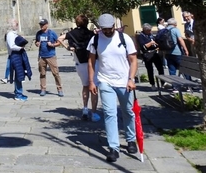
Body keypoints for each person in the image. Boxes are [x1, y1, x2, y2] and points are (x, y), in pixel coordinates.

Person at [87, 13, 138, 163]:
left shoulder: (124, 38)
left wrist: (131, 79)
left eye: (109, 28)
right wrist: (92, 81)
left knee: (128, 111)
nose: (107, 31)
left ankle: (130, 139)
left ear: (114, 26)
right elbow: (91, 62)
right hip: (105, 81)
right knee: (109, 113)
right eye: (104, 29)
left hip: (124, 81)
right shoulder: (95, 39)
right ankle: (113, 147)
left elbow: (133, 60)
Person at [64, 14, 99, 121]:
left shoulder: (71, 34)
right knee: (94, 87)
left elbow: (61, 38)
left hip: (80, 62)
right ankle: (93, 112)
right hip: (93, 62)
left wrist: (67, 47)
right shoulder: (91, 34)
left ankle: (84, 109)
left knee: (85, 86)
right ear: (87, 22)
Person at [35, 19, 63, 97]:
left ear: (47, 25)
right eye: (40, 25)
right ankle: (43, 89)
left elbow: (59, 43)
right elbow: (36, 42)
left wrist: (52, 45)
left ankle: (59, 89)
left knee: (55, 73)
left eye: (43, 25)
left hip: (51, 56)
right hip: (42, 56)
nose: (41, 26)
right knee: (42, 73)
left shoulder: (52, 33)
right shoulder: (39, 33)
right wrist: (37, 44)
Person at [6, 20, 32, 101]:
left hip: (18, 55)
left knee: (19, 74)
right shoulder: (10, 34)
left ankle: (18, 92)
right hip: (15, 55)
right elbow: (12, 46)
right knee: (18, 75)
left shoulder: (14, 34)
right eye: (16, 24)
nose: (17, 26)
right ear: (12, 25)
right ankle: (18, 94)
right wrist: (21, 47)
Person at [162, 18, 189, 89]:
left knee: (172, 70)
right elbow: (180, 40)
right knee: (184, 68)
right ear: (175, 24)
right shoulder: (175, 29)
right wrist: (186, 49)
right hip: (177, 52)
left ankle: (175, 87)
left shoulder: (164, 30)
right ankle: (189, 85)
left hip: (167, 52)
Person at [137, 23, 165, 90]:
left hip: (155, 53)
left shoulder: (151, 35)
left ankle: (163, 82)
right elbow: (143, 47)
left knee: (160, 68)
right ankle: (152, 84)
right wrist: (150, 43)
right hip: (147, 55)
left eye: (150, 30)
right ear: (144, 30)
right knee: (150, 70)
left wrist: (157, 44)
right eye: (148, 30)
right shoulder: (141, 36)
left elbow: (156, 42)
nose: (150, 31)